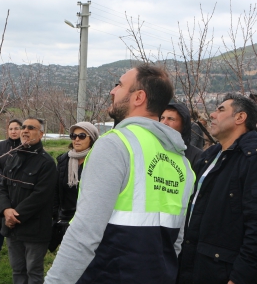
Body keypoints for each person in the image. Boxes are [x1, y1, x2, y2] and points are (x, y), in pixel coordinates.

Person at [46, 65, 195, 284]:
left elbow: (84, 233)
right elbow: (176, 241)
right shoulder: (180, 161)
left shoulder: (116, 144)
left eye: (120, 85)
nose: (113, 91)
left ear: (139, 97)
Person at [177, 93, 257, 284]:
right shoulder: (209, 156)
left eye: (221, 109)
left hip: (228, 273)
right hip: (200, 268)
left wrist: (239, 278)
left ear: (240, 118)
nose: (212, 115)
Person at [0, 117, 57, 284]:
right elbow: (2, 187)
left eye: (30, 128)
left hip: (34, 229)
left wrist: (14, 215)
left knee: (33, 272)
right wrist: (5, 210)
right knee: (17, 270)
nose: (24, 130)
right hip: (12, 228)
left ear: (41, 134)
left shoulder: (46, 163)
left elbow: (40, 196)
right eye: (23, 127)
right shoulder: (12, 158)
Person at [50, 122, 99, 252]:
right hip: (65, 217)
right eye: (73, 135)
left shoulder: (98, 160)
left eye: (82, 136)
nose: (76, 139)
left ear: (92, 138)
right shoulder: (63, 160)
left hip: (88, 220)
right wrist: (56, 215)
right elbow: (55, 190)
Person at [0, 119, 22, 270]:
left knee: (19, 222)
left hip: (20, 192)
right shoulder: (0, 146)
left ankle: (20, 254)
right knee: (0, 223)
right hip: (2, 190)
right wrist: (5, 181)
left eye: (16, 128)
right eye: (11, 128)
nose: (13, 131)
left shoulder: (25, 146)